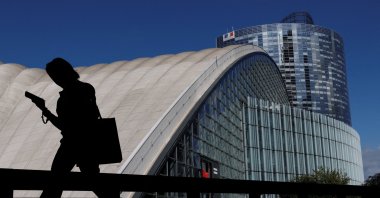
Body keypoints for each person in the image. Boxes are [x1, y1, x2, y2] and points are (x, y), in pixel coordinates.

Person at [34, 58, 119, 198]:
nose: (55, 80)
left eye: (55, 76)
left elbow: (65, 126)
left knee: (55, 182)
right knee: (93, 180)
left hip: (72, 145)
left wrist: (44, 110)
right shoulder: (87, 88)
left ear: (62, 73)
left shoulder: (67, 97)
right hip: (90, 143)